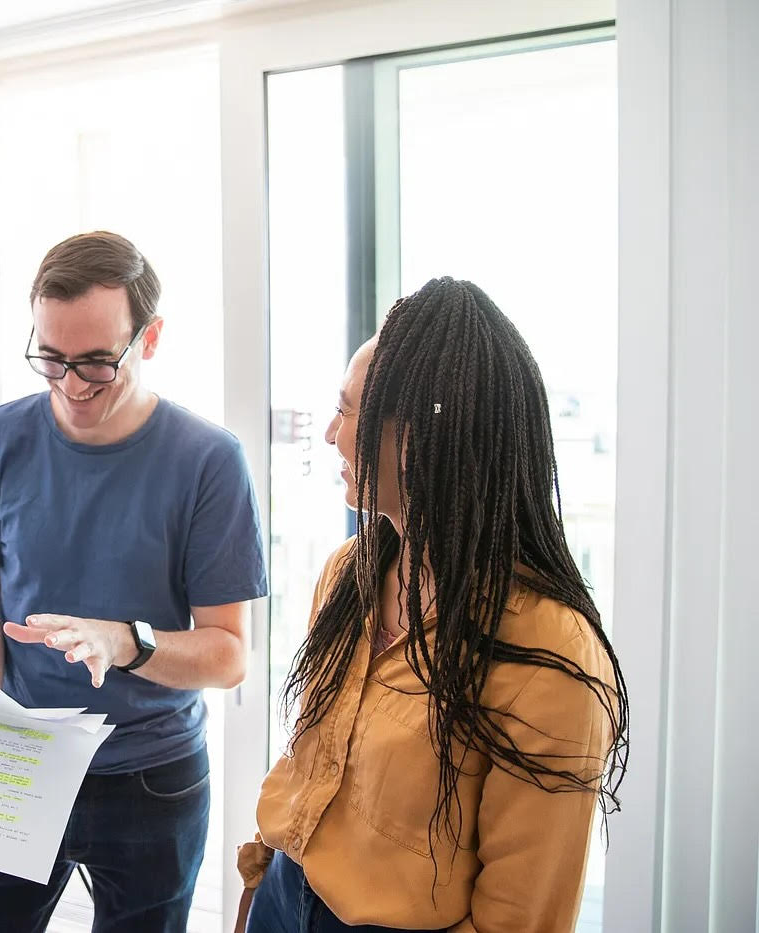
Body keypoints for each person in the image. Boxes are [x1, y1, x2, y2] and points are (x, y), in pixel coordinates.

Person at [235, 277, 629, 933]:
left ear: (419, 437)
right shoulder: (348, 574)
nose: (330, 432)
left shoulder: (550, 652)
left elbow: (520, 916)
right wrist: (261, 881)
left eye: (347, 410)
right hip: (285, 892)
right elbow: (312, 763)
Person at [0, 231, 269, 932]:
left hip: (150, 775)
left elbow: (229, 653)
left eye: (95, 361)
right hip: (16, 756)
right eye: (50, 358)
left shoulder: (208, 460)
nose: (70, 384)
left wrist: (126, 642)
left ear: (148, 339)